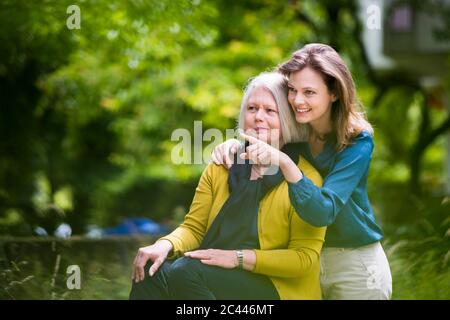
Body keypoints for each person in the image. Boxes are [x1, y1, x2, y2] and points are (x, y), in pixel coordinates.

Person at [211, 43, 392, 300]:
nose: (297, 100)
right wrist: (235, 147)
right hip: (306, 262)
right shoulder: (299, 130)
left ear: (334, 93)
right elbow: (264, 137)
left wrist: (286, 163)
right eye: (293, 91)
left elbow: (323, 211)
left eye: (309, 92)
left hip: (355, 264)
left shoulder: (357, 142)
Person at [129, 72, 326, 300]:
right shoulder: (223, 164)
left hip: (278, 287)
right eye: (252, 109)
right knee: (148, 269)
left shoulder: (304, 178)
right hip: (214, 271)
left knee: (186, 272)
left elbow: (303, 259)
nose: (258, 117)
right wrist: (164, 245)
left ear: (287, 119)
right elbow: (194, 228)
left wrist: (237, 257)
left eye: (270, 111)